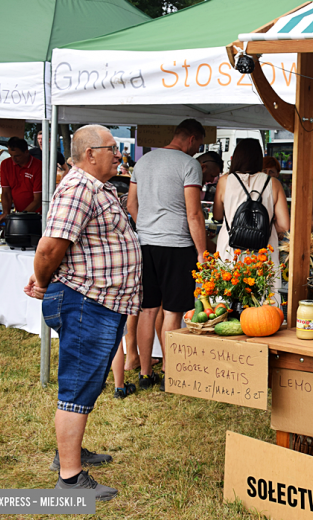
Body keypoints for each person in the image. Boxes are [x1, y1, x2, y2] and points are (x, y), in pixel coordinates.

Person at [24, 124, 141, 500]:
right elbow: (48, 249)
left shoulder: (93, 187)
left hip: (97, 302)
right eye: (112, 148)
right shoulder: (78, 188)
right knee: (76, 387)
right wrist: (41, 282)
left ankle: (69, 453)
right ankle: (71, 480)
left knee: (86, 383)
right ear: (91, 153)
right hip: (86, 302)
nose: (118, 154)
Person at [127, 119, 207, 391]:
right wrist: (202, 251)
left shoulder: (144, 161)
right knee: (172, 312)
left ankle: (146, 373)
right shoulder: (189, 165)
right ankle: (171, 374)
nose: (197, 150)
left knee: (147, 311)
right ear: (192, 139)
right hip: (177, 246)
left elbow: (130, 204)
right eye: (199, 145)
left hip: (145, 244)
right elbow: (194, 213)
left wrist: (147, 227)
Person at [213, 138, 289, 272]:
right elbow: (284, 225)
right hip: (263, 248)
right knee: (263, 290)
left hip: (231, 247)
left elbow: (217, 215)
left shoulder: (225, 181)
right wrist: (262, 228)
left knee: (229, 287)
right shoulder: (273, 184)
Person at [0, 137, 42, 224]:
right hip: (19, 213)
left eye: (17, 156)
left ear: (26, 152)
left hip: (38, 216)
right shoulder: (5, 164)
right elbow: (5, 192)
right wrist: (6, 213)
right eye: (11, 155)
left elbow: (38, 200)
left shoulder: (38, 166)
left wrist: (20, 216)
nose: (13, 159)